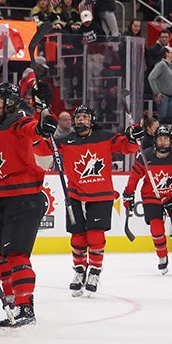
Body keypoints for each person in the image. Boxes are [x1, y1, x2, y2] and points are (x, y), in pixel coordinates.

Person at [0, 82, 57, 328]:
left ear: (11, 102)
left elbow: (35, 130)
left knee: (16, 255)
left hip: (25, 197)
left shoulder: (19, 121)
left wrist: (43, 116)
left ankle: (24, 307)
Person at [56, 104, 141, 296]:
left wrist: (133, 136)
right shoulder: (66, 140)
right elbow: (43, 148)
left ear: (92, 120)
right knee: (77, 237)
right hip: (75, 195)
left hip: (100, 194)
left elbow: (128, 147)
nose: (81, 120)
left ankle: (94, 271)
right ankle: (79, 271)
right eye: (78, 117)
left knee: (95, 236)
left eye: (85, 117)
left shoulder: (105, 137)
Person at [123, 125, 172, 275]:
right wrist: (129, 193)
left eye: (166, 139)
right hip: (151, 195)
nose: (163, 142)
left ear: (171, 141)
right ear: (155, 140)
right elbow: (134, 177)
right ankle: (162, 257)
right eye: (160, 139)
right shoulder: (145, 156)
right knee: (156, 228)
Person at [148, 46, 172, 121]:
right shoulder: (161, 64)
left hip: (171, 96)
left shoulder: (171, 65)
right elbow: (151, 77)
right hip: (163, 96)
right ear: (166, 54)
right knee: (162, 119)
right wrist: (157, 92)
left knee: (170, 119)